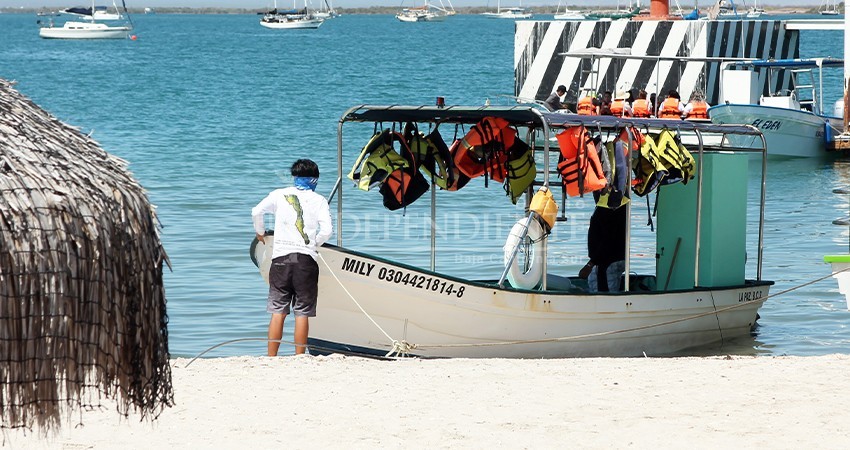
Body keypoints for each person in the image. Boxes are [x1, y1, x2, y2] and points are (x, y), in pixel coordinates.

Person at [252, 159, 333, 356]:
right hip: (306, 260)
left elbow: (256, 211)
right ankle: (299, 357)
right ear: (315, 179)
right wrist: (314, 243)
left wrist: (260, 232)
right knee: (302, 312)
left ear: (294, 176)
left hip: (281, 259)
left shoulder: (279, 194)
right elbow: (327, 231)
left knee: (278, 311)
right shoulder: (319, 200)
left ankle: (271, 357)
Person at [578, 129, 631, 292]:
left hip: (608, 261)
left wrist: (591, 264)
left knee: (604, 293)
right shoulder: (620, 203)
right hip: (615, 258)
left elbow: (607, 240)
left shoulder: (607, 210)